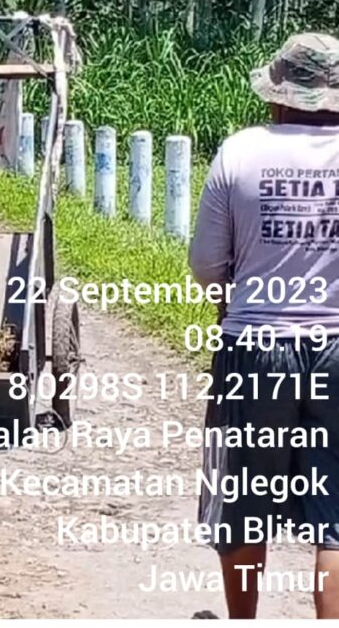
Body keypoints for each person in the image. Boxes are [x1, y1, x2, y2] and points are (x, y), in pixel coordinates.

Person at [189, 32, 339, 620]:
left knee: (246, 505)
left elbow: (206, 265)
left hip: (255, 348)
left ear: (278, 96)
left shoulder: (240, 151)